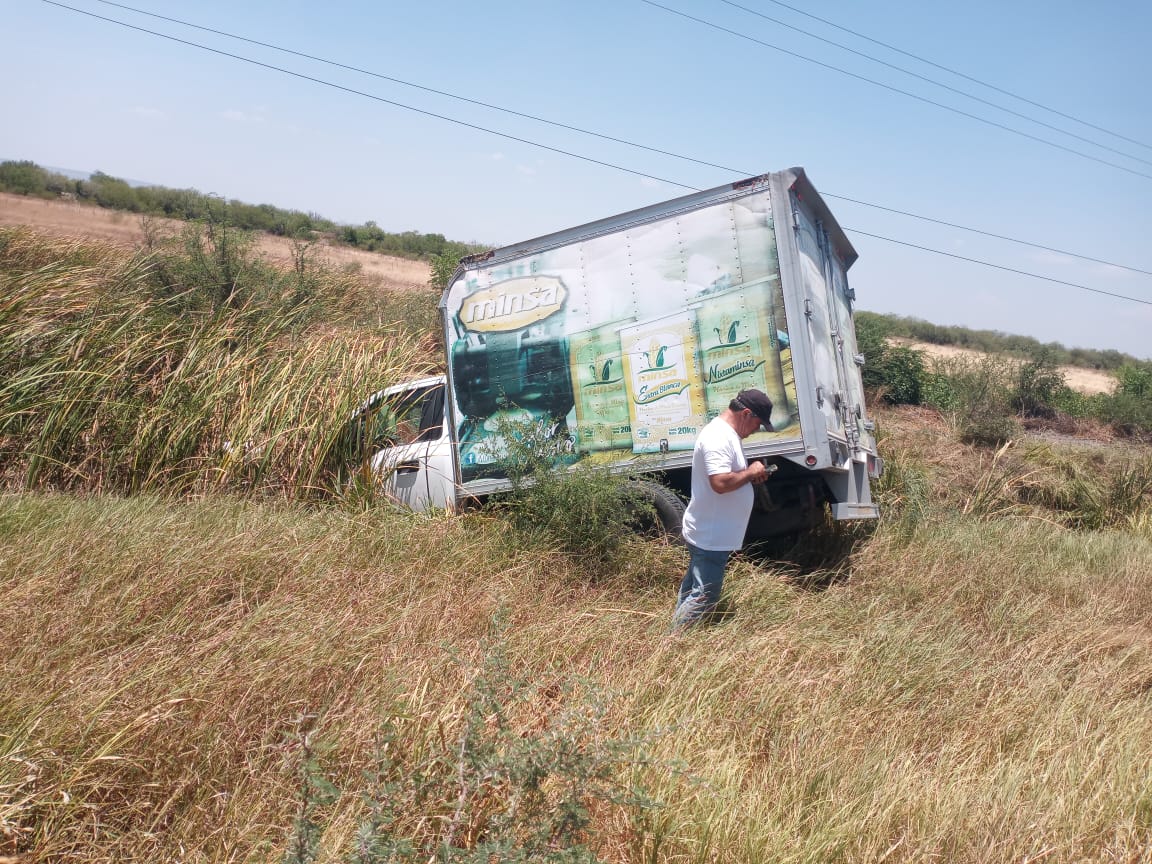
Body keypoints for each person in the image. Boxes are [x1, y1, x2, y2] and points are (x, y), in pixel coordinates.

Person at [672, 388, 775, 630]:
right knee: (704, 596)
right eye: (758, 424)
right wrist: (750, 472)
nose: (756, 430)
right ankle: (674, 644)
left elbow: (729, 476)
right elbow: (719, 483)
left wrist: (749, 477)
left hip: (714, 531)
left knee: (695, 589)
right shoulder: (718, 436)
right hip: (711, 534)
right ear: (746, 413)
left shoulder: (728, 434)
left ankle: (675, 636)